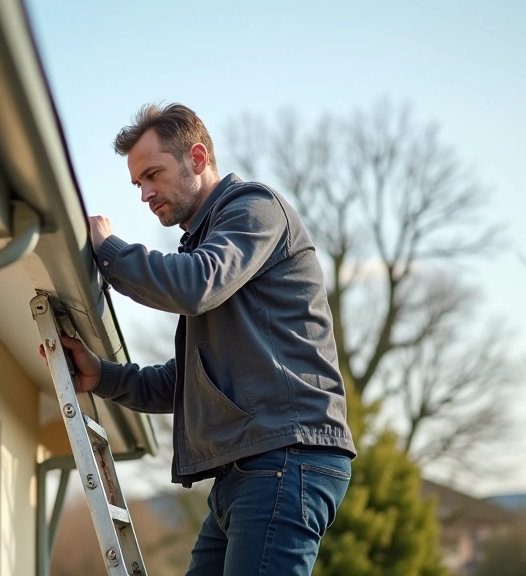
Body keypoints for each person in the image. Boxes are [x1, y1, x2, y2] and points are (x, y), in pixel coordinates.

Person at [54, 103, 355, 576]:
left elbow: (194, 285)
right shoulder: (208, 245)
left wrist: (108, 252)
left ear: (197, 158)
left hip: (285, 456)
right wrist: (104, 376)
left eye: (153, 174)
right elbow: (188, 382)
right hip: (246, 468)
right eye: (138, 184)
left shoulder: (254, 211)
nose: (145, 194)